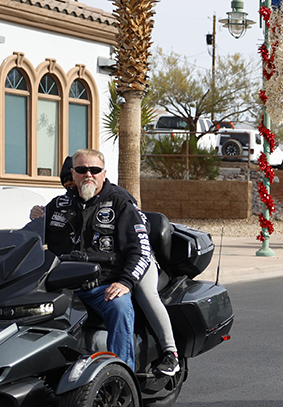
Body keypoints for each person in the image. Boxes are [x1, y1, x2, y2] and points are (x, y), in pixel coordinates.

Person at [32, 156, 181, 376]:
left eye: (93, 170)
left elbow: (139, 242)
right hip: (77, 275)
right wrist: (36, 219)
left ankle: (166, 354)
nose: (83, 179)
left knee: (140, 295)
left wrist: (126, 280)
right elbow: (33, 236)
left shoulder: (118, 199)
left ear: (103, 173)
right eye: (76, 175)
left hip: (129, 261)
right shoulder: (63, 204)